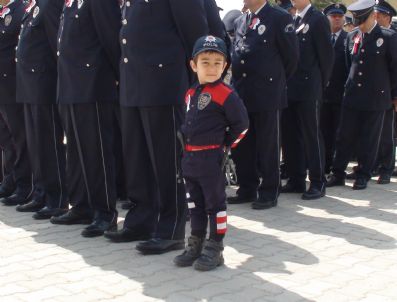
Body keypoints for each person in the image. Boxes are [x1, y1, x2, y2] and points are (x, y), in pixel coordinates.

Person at [104, 0, 210, 255]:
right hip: (133, 86)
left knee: (166, 160)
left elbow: (195, 33)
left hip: (163, 84)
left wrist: (194, 84)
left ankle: (171, 228)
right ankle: (141, 220)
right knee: (136, 159)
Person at [174, 35, 249, 271]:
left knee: (215, 205)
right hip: (190, 159)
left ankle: (215, 247)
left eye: (218, 63)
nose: (212, 68)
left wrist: (226, 146)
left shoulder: (226, 94)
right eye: (205, 62)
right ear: (193, 65)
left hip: (211, 159)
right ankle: (196, 242)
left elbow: (242, 125)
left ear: (225, 66)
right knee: (194, 205)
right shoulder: (190, 93)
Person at [51, 0, 121, 238]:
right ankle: (81, 205)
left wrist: (117, 78)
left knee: (96, 152)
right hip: (71, 86)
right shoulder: (70, 3)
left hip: (93, 84)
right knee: (76, 152)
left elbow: (111, 38)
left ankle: (104, 212)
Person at [227, 0, 299, 209]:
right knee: (243, 145)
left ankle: (269, 190)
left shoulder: (279, 17)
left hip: (267, 93)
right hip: (242, 92)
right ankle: (247, 187)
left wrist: (274, 80)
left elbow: (291, 58)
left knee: (268, 145)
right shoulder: (242, 20)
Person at [327, 0, 397, 190]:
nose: (359, 24)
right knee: (344, 137)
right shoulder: (353, 36)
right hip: (352, 95)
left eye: (362, 20)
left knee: (369, 138)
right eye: (357, 20)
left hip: (376, 97)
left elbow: (394, 70)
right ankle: (338, 173)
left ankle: (364, 174)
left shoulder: (388, 37)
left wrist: (393, 95)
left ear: (372, 16)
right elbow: (351, 65)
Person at [15, 0, 67, 219]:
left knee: (48, 145)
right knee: (36, 144)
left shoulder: (51, 4)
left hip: (43, 82)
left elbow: (57, 46)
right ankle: (41, 193)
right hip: (29, 84)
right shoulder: (35, 5)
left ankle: (56, 198)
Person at [281, 0, 334, 200]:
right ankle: (296, 179)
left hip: (309, 88)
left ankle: (318, 181)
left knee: (312, 135)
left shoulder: (318, 19)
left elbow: (327, 57)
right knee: (291, 136)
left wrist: (320, 85)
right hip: (292, 88)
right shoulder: (293, 20)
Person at [0, 0, 33, 207]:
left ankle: (24, 185)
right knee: (5, 137)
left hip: (12, 84)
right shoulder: (4, 11)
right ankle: (10, 179)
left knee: (19, 137)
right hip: (2, 87)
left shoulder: (20, 9)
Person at [321, 3, 349, 174]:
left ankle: (338, 168)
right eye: (333, 16)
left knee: (341, 134)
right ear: (328, 18)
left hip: (341, 95)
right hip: (323, 95)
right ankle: (325, 164)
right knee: (324, 133)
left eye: (339, 16)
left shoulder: (349, 38)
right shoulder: (321, 38)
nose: (337, 19)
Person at [373, 0, 397, 184]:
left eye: (378, 15)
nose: (375, 17)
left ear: (387, 17)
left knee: (387, 133)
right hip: (371, 93)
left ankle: (387, 168)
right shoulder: (372, 35)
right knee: (373, 132)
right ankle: (372, 164)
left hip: (388, 92)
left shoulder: (393, 36)